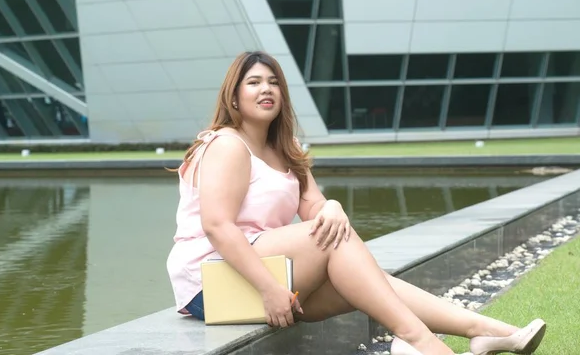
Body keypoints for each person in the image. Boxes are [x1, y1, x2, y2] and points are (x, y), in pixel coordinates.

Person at [166, 51, 546, 355]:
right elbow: (218, 226)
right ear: (233, 96)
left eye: (273, 82)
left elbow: (313, 205)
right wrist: (269, 289)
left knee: (367, 278)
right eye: (253, 83)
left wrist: (331, 207)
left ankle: (485, 331)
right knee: (333, 239)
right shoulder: (227, 145)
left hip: (269, 271)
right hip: (211, 282)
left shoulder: (285, 148)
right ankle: (419, 341)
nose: (266, 89)